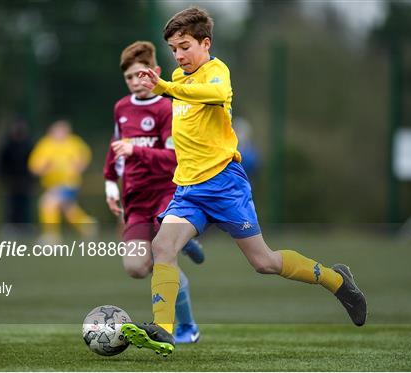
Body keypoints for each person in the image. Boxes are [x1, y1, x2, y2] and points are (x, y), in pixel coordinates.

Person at [121, 7, 367, 356]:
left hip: (224, 184)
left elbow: (216, 95)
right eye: (174, 48)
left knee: (264, 262)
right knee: (162, 247)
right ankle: (163, 329)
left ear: (206, 43)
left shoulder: (216, 71)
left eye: (185, 46)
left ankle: (337, 280)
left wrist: (164, 87)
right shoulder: (178, 78)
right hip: (189, 190)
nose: (179, 55)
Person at [103, 41, 204, 344]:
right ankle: (182, 247)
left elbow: (172, 158)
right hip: (136, 198)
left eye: (142, 75)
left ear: (156, 72)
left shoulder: (166, 107)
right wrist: (110, 183)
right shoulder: (121, 107)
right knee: (135, 267)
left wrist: (136, 150)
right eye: (130, 78)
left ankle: (187, 327)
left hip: (166, 193)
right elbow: (116, 147)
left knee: (163, 252)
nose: (136, 82)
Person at [28, 120, 95, 240]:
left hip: (69, 183)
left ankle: (51, 236)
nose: (61, 133)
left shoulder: (74, 142)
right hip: (51, 184)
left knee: (47, 203)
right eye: (58, 131)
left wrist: (79, 166)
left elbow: (85, 156)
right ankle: (87, 225)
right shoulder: (45, 144)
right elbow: (34, 166)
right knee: (68, 209)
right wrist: (43, 168)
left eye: (63, 131)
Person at [0, 118, 35, 231]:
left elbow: (34, 162)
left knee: (25, 204)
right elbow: (1, 162)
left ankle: (25, 225)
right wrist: (2, 177)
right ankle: (11, 226)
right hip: (11, 180)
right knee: (11, 204)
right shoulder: (7, 144)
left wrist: (32, 178)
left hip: (25, 180)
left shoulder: (28, 144)